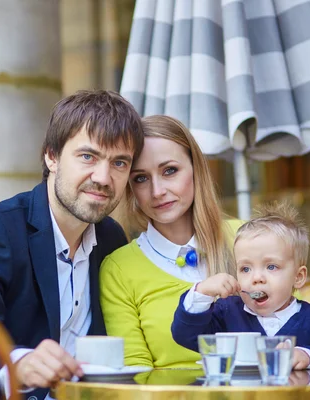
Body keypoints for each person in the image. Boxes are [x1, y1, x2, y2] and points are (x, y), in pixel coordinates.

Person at [0, 89, 144, 400]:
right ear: (52, 156)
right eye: (88, 156)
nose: (103, 177)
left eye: (119, 163)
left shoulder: (111, 239)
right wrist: (17, 365)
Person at [99, 115, 241, 369]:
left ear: (196, 168)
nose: (157, 191)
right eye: (141, 178)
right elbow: (135, 373)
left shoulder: (245, 238)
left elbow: (293, 335)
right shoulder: (119, 269)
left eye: (170, 171)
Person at [171, 202, 310, 370]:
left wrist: (307, 356)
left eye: (271, 266)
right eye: (245, 268)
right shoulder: (227, 312)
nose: (256, 278)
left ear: (298, 277)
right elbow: (185, 335)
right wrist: (202, 291)